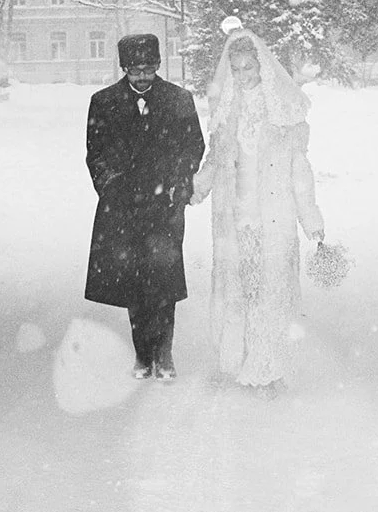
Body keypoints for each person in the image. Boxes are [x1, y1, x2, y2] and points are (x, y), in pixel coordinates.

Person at [190, 26, 324, 390]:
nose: (244, 75)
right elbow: (214, 162)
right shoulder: (226, 115)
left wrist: (311, 218)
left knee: (268, 293)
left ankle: (267, 368)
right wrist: (194, 190)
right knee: (240, 291)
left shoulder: (284, 115)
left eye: (250, 68)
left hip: (273, 218)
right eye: (237, 69)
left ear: (262, 67)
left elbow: (300, 171)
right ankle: (237, 359)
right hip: (235, 220)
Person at [84, 33, 205, 381]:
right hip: (123, 209)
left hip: (165, 207)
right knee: (133, 284)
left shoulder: (179, 99)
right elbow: (96, 154)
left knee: (163, 282)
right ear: (123, 68)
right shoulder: (103, 102)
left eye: (148, 68)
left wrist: (177, 188)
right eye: (135, 70)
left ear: (157, 66)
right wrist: (113, 189)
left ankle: (164, 355)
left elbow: (193, 147)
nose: (142, 76)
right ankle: (142, 354)